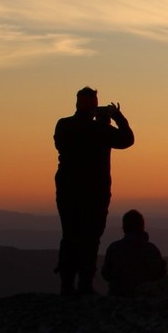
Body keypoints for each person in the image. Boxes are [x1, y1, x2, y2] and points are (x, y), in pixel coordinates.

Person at [54, 87, 134, 296]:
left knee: (70, 235)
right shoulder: (101, 130)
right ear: (93, 107)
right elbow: (127, 140)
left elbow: (60, 144)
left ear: (77, 104)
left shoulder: (63, 125)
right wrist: (116, 116)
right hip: (95, 192)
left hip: (68, 190)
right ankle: (85, 284)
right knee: (91, 237)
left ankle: (67, 285)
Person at [101, 209, 167, 297]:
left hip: (116, 297)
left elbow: (106, 274)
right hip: (143, 298)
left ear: (124, 228)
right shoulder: (151, 250)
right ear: (142, 227)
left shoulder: (114, 248)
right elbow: (158, 275)